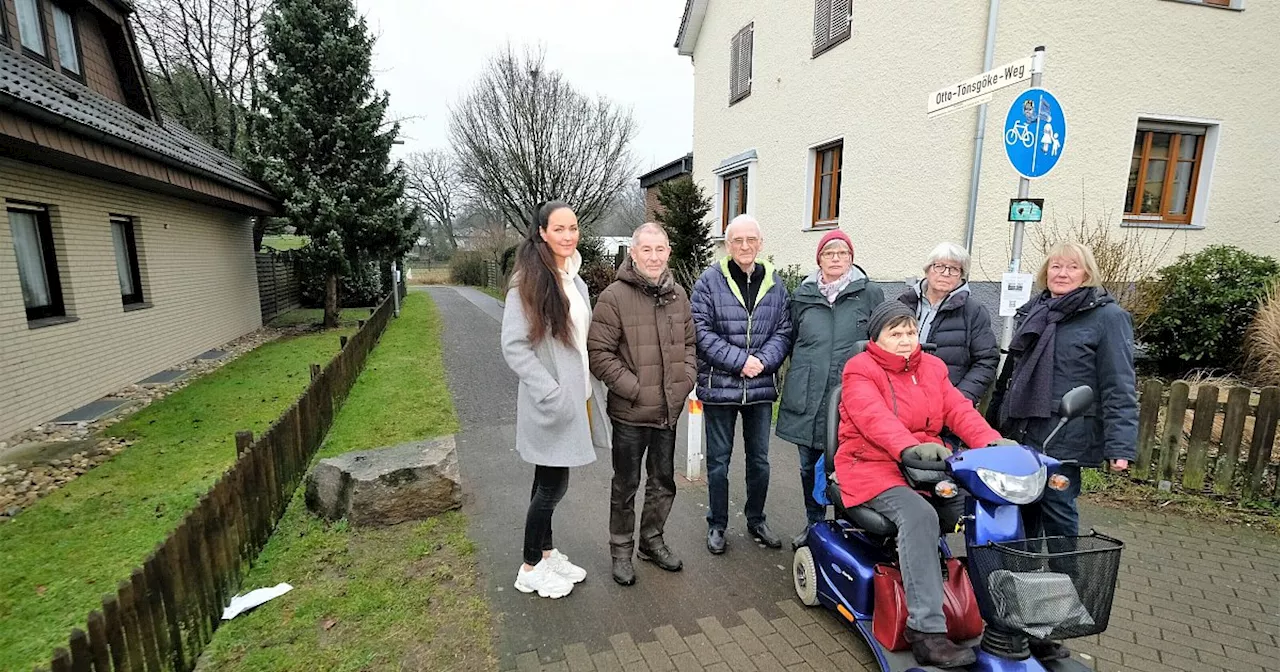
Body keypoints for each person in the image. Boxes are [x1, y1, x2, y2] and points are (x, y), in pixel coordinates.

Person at [837, 300, 1012, 668]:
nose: (905, 340)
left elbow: (959, 411)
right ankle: (926, 632)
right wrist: (911, 447)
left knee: (988, 505)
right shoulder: (859, 370)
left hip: (929, 466)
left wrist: (993, 443)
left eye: (910, 332)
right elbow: (873, 418)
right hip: (871, 464)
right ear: (876, 338)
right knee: (920, 516)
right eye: (895, 333)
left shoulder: (932, 368)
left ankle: (1005, 614)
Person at [501, 201, 609, 599]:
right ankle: (529, 566)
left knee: (544, 482)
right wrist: (550, 390)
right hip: (550, 404)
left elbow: (582, 340)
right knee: (552, 486)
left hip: (574, 399)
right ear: (542, 232)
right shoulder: (527, 282)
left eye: (573, 228)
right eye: (559, 229)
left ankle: (546, 555)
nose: (568, 236)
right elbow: (514, 347)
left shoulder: (574, 280)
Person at [588, 223, 697, 586]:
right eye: (646, 249)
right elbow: (599, 354)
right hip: (630, 413)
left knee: (663, 481)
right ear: (633, 253)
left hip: (668, 410)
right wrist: (634, 388)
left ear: (669, 252)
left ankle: (651, 541)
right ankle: (621, 550)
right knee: (626, 485)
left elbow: (691, 346)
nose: (653, 256)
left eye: (660, 249)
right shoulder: (614, 297)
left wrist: (683, 383)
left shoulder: (678, 296)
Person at [690, 214, 793, 555]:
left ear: (760, 243)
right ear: (727, 244)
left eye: (751, 240)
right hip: (720, 386)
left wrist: (762, 362)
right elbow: (700, 330)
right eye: (737, 240)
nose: (745, 246)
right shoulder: (709, 281)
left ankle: (756, 519)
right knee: (718, 462)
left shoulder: (775, 283)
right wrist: (740, 361)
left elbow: (784, 329)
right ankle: (717, 524)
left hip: (760, 389)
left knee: (760, 461)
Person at [776, 229, 883, 546]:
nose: (835, 259)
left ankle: (847, 530)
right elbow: (791, 340)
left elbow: (881, 342)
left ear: (851, 258)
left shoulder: (869, 294)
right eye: (829, 253)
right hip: (807, 394)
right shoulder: (803, 296)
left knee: (848, 464)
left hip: (851, 397)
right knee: (808, 465)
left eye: (842, 254)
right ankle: (814, 525)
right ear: (819, 259)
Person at [896, 242, 999, 407]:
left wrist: (958, 400)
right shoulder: (905, 304)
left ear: (961, 276)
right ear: (928, 269)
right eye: (939, 266)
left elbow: (986, 361)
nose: (945, 273)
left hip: (946, 405)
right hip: (900, 400)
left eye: (954, 269)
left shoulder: (974, 312)